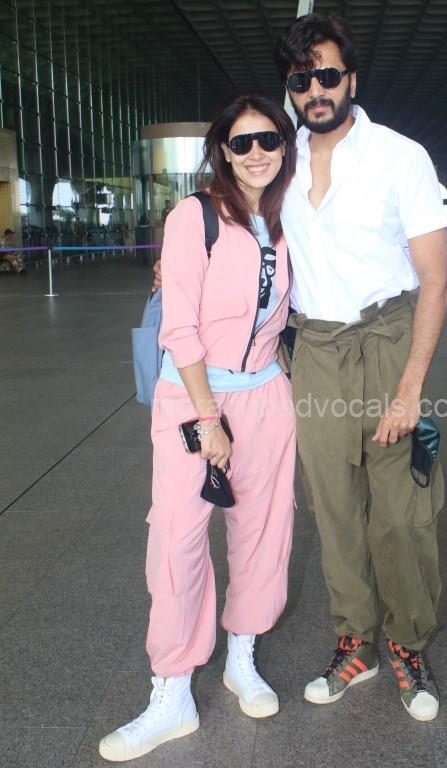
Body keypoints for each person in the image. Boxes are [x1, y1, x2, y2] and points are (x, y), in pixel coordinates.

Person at [100, 92, 297, 762]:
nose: (257, 153)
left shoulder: (291, 218)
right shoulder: (195, 216)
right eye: (242, 143)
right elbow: (179, 325)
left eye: (269, 139)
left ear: (285, 146)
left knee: (264, 531)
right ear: (223, 152)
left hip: (266, 394)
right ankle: (173, 690)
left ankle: (242, 656)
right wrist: (208, 417)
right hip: (193, 398)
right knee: (177, 539)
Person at [273, 13, 447, 721]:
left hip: (386, 341)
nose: (314, 91)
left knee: (401, 514)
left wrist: (410, 389)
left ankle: (408, 641)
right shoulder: (278, 159)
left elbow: (435, 278)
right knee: (334, 510)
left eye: (326, 75)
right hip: (316, 350)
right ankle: (357, 640)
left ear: (351, 78)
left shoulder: (399, 157)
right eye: (301, 80)